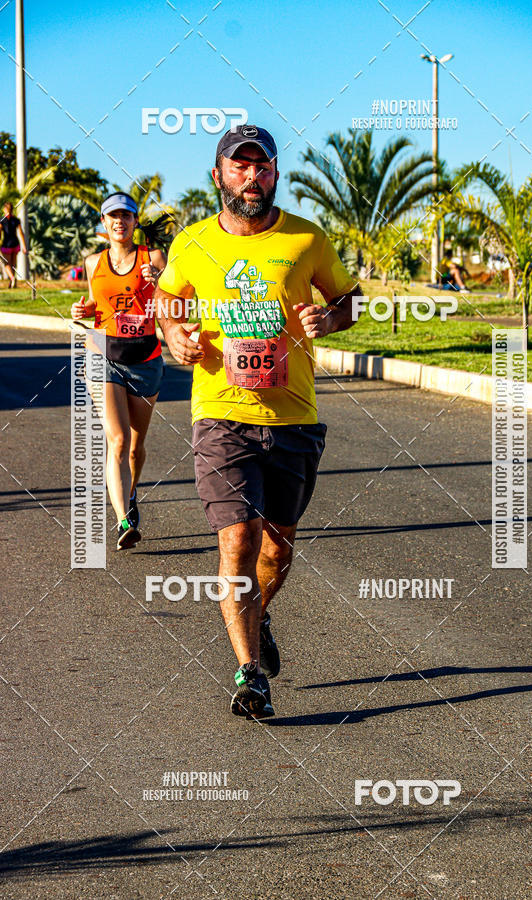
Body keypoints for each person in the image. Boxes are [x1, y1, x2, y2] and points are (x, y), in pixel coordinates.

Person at [154, 125, 362, 719]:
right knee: (239, 539)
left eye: (262, 167)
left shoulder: (306, 238)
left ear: (274, 174)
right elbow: (167, 300)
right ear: (218, 174)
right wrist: (174, 335)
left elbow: (351, 299)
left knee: (277, 551)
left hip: (294, 416)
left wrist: (330, 319)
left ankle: (259, 613)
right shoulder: (194, 242)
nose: (252, 177)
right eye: (240, 166)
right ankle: (250, 675)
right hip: (221, 414)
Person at [71, 192, 166, 550]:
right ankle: (124, 519)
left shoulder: (153, 258)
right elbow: (99, 304)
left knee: (135, 448)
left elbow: (173, 303)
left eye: (126, 215)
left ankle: (131, 491)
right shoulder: (93, 262)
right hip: (102, 353)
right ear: (104, 222)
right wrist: (84, 311)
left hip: (144, 359)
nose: (119, 221)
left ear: (135, 221)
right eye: (112, 216)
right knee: (118, 440)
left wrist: (158, 281)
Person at [1, 202, 28, 288]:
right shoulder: (16, 220)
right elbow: (21, 233)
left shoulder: (2, 220)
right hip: (15, 244)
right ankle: (12, 282)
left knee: (6, 264)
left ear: (4, 209)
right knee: (13, 265)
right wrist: (24, 246)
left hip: (6, 245)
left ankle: (12, 278)